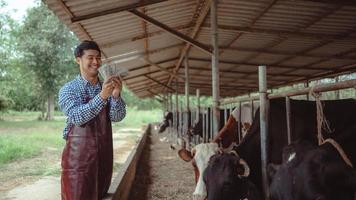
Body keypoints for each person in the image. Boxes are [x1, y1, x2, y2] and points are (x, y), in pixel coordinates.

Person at [58, 40, 126, 200]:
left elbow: (117, 117)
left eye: (98, 58)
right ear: (78, 59)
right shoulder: (69, 89)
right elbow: (77, 117)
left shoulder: (107, 86)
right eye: (90, 57)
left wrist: (116, 95)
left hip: (103, 158)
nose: (96, 62)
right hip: (78, 163)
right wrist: (102, 96)